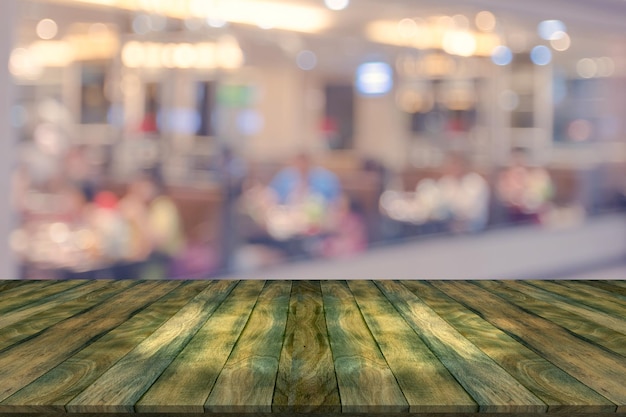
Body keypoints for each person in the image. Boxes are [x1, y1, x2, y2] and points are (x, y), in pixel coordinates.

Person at [497, 148, 554, 224]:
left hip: (529, 216)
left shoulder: (534, 176)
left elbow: (544, 195)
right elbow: (502, 195)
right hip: (511, 215)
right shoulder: (506, 177)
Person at [436, 153, 490, 233]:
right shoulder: (447, 181)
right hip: (450, 224)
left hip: (473, 226)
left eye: (457, 165)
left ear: (464, 166)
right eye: (452, 165)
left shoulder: (475, 182)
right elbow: (439, 203)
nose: (454, 169)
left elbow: (470, 210)